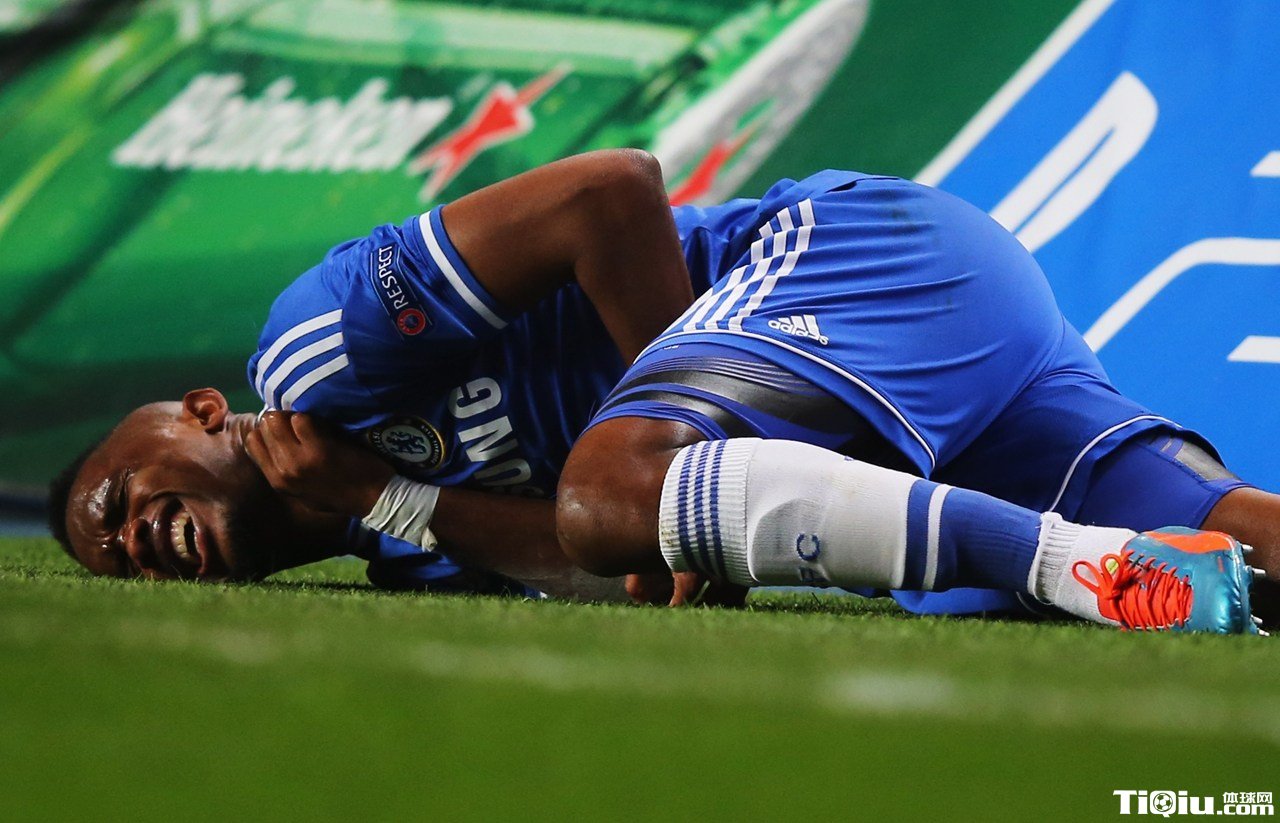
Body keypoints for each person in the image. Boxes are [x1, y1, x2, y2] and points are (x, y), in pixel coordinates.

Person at [51, 150, 1273, 631]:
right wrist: (394, 502)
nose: (128, 541)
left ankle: (1087, 573)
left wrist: (658, 453)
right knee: (1237, 549)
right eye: (112, 561)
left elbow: (608, 194)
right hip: (914, 388)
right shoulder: (412, 558)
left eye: (116, 497)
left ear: (200, 413)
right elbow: (631, 563)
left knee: (614, 485)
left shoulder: (313, 358)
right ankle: (1149, 569)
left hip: (862, 262)